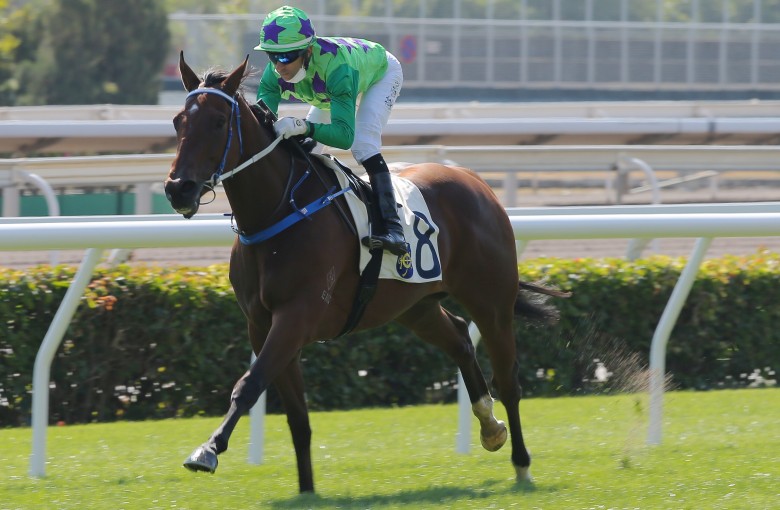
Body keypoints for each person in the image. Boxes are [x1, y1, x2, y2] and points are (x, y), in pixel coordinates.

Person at [254, 5, 407, 256]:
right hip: (327, 89)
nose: (278, 66)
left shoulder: (338, 69)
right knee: (309, 148)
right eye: (272, 55)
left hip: (380, 73)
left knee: (363, 144)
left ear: (308, 50)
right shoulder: (274, 73)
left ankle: (394, 228)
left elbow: (344, 137)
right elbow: (263, 125)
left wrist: (304, 125)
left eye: (286, 56)